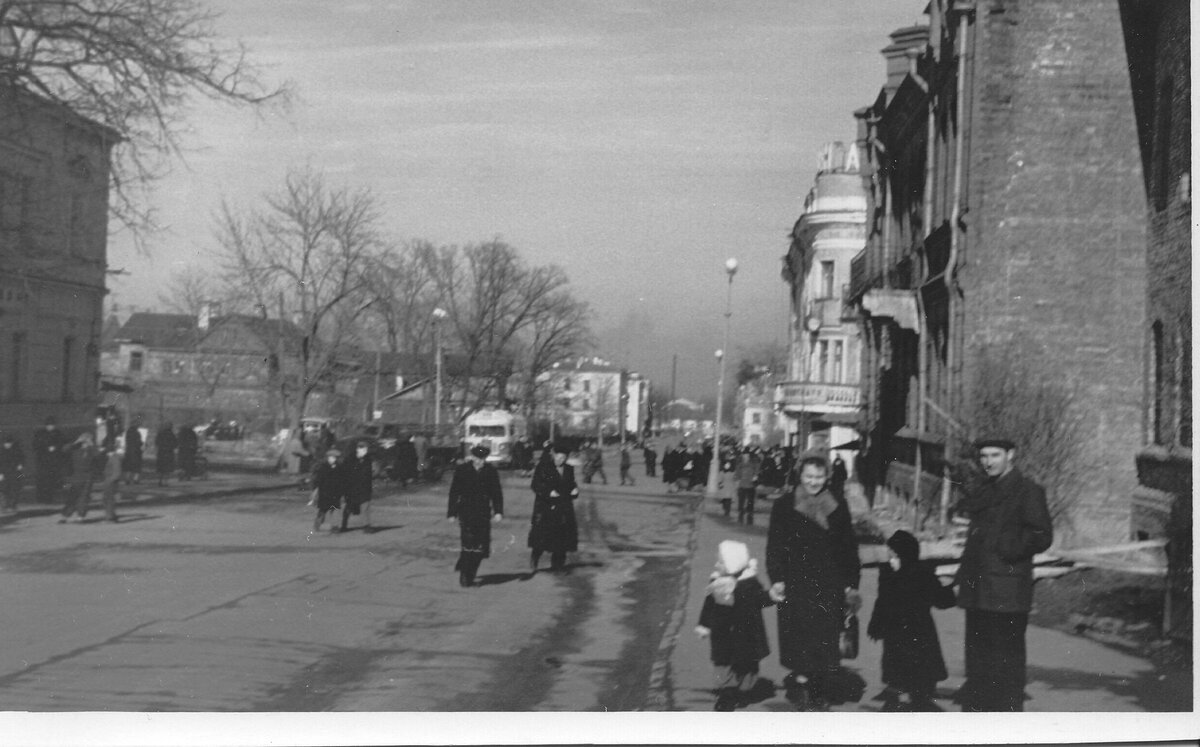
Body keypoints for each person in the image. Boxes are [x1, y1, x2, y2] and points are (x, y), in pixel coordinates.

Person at [954, 437, 1052, 712]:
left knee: (1005, 660)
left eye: (995, 455)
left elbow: (1042, 535)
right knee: (978, 657)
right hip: (979, 589)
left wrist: (1008, 547)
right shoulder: (985, 489)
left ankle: (1006, 723)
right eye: (984, 456)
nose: (988, 462)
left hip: (1007, 590)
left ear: (1012, 454)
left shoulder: (1027, 490)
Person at [766, 455, 861, 711]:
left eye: (819, 477)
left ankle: (818, 694)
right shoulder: (785, 505)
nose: (813, 482)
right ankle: (802, 688)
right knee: (799, 639)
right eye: (809, 476)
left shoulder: (837, 504)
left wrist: (851, 582)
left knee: (826, 640)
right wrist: (776, 578)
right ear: (800, 475)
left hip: (829, 583)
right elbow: (775, 545)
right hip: (796, 582)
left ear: (827, 477)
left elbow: (848, 546)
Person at [867, 530, 956, 711]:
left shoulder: (890, 574)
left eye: (891, 551)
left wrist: (876, 625)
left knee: (898, 666)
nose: (888, 555)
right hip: (919, 629)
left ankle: (902, 697)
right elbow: (941, 600)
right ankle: (918, 697)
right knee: (920, 666)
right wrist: (952, 589)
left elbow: (881, 602)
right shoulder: (921, 572)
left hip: (898, 631)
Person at [694, 540, 775, 711]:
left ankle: (744, 692)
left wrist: (771, 596)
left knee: (748, 666)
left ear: (732, 565)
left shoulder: (749, 583)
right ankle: (727, 694)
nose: (717, 564)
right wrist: (704, 625)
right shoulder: (717, 581)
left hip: (747, 634)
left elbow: (760, 598)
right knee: (722, 665)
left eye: (721, 562)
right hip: (722, 634)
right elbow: (709, 605)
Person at [448, 445, 504, 587]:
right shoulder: (462, 470)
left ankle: (470, 571)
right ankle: (465, 575)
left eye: (483, 459)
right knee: (468, 544)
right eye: (478, 458)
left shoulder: (490, 471)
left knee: (481, 547)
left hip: (483, 513)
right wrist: (452, 513)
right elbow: (454, 492)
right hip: (466, 512)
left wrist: (498, 512)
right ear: (472, 457)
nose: (481, 461)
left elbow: (496, 493)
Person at [527, 442, 579, 575]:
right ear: (554, 455)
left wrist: (574, 490)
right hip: (546, 507)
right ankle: (535, 558)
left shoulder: (569, 469)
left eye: (563, 458)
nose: (560, 460)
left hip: (564, 507)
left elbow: (572, 484)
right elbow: (535, 485)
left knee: (562, 538)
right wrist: (548, 492)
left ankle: (557, 565)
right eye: (558, 457)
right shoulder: (544, 467)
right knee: (542, 537)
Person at [59, 433, 98, 523]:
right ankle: (65, 515)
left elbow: (98, 455)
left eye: (87, 439)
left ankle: (81, 516)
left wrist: (91, 444)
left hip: (88, 475)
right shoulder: (76, 448)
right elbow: (65, 449)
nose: (85, 442)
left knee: (84, 497)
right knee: (72, 495)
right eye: (84, 439)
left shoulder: (91, 450)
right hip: (76, 474)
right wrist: (77, 442)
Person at [32, 416, 68, 504]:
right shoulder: (40, 434)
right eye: (49, 425)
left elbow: (63, 444)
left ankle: (49, 498)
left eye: (52, 425)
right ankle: (41, 498)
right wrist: (46, 448)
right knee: (43, 481)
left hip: (54, 461)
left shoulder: (58, 433)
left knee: (52, 481)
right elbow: (35, 446)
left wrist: (55, 448)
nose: (50, 427)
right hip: (43, 461)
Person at [340, 440, 374, 533]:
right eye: (363, 449)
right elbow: (344, 473)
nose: (366, 451)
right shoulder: (349, 459)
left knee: (365, 506)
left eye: (366, 449)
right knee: (349, 506)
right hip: (352, 487)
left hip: (364, 487)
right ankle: (344, 525)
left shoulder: (368, 459)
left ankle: (366, 526)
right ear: (358, 449)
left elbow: (369, 475)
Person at [310, 447, 345, 534]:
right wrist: (316, 489)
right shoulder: (323, 467)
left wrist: (342, 490)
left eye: (335, 458)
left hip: (335, 493)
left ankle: (334, 526)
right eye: (331, 457)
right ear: (328, 457)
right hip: (324, 493)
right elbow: (318, 480)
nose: (333, 459)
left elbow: (342, 479)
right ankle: (317, 524)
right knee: (323, 510)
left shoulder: (339, 467)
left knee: (334, 510)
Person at [99, 442, 124, 523]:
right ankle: (112, 515)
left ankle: (110, 517)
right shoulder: (114, 457)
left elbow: (117, 472)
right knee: (108, 499)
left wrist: (111, 480)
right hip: (110, 480)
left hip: (110, 481)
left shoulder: (114, 458)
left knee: (108, 499)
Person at [0, 433, 25, 513]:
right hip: (5, 473)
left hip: (15, 473)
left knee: (15, 489)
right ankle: (6, 505)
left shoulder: (16, 450)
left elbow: (22, 458)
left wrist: (21, 464)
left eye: (8, 443)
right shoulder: (2, 451)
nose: (7, 445)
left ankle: (13, 505)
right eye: (6, 443)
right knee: (5, 490)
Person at [734, 450, 760, 525]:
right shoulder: (740, 465)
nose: (745, 457)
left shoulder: (752, 465)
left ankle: (749, 515)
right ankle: (741, 514)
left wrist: (755, 477)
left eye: (747, 456)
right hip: (742, 486)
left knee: (750, 502)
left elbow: (756, 473)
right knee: (741, 501)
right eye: (744, 456)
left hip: (750, 486)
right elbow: (737, 475)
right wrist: (737, 481)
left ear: (749, 457)